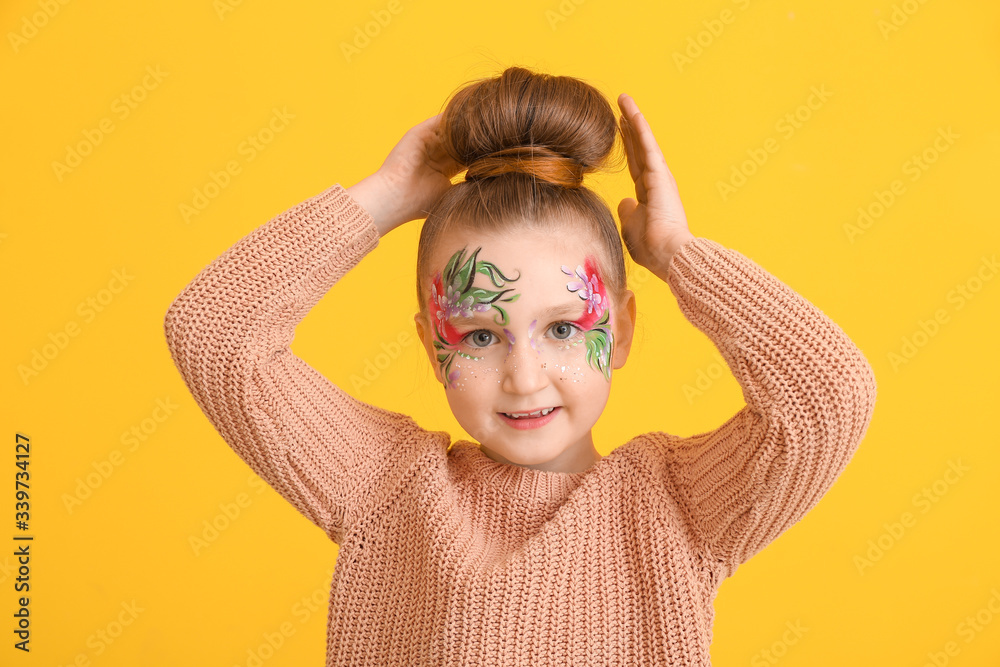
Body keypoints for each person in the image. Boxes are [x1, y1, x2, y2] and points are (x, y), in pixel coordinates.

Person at [163, 66, 877, 665]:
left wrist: (677, 253)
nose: (524, 375)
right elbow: (215, 332)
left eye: (565, 327)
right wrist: (380, 201)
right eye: (477, 335)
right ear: (428, 343)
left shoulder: (676, 508)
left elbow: (827, 396)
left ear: (621, 330)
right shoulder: (387, 486)